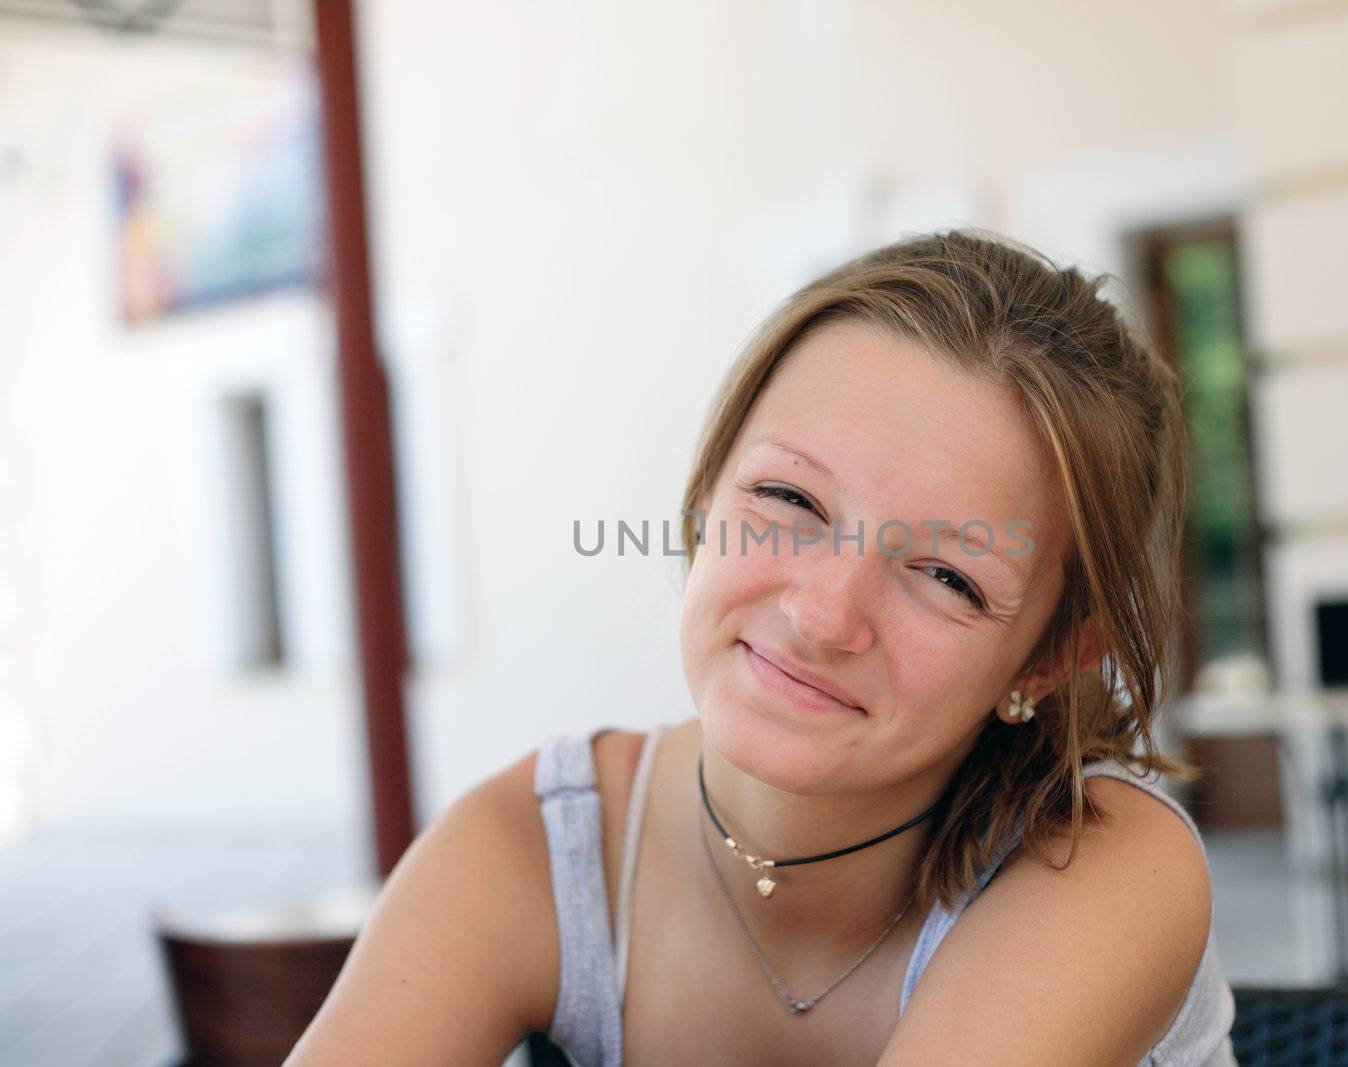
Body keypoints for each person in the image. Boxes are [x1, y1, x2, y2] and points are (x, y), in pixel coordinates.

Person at [286, 230, 1238, 1066]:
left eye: (949, 576)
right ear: (706, 495)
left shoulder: (1108, 866)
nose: (826, 614)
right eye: (790, 500)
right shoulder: (540, 849)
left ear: (1047, 660)